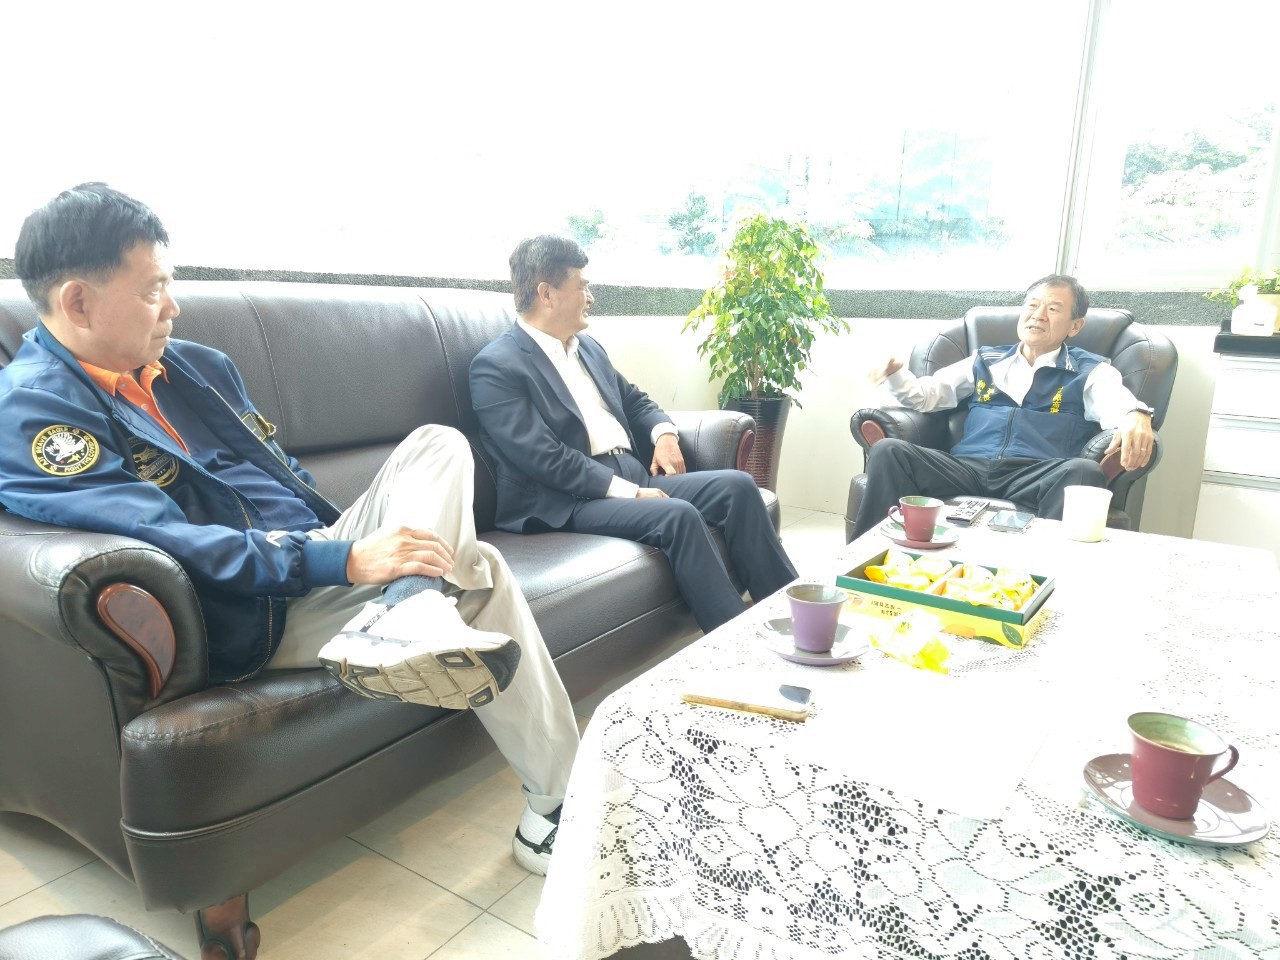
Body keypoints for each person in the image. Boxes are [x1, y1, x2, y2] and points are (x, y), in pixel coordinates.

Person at [0, 184, 576, 874]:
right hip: (250, 610)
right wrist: (343, 562)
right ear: (77, 302)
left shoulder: (194, 369)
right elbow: (167, 540)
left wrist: (356, 549)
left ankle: (409, 610)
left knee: (438, 445)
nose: (173, 306)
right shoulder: (37, 414)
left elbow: (282, 480)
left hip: (310, 559)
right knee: (477, 569)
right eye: (153, 290)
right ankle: (555, 805)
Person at [469, 235, 798, 633]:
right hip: (567, 501)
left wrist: (665, 436)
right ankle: (736, 640)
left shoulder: (588, 348)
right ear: (547, 294)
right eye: (582, 286)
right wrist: (630, 492)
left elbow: (636, 402)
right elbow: (542, 457)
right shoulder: (496, 366)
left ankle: (794, 618)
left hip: (632, 476)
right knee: (677, 515)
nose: (590, 296)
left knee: (739, 487)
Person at [850, 274, 1156, 539]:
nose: (1038, 315)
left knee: (1083, 472)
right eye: (1032, 305)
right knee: (890, 451)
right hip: (967, 467)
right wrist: (895, 373)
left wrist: (1136, 414)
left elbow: (1116, 403)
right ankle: (867, 556)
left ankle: (1044, 572)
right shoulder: (985, 359)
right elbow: (926, 396)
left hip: (1034, 475)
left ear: (1075, 326)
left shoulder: (1089, 371)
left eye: (1053, 309)